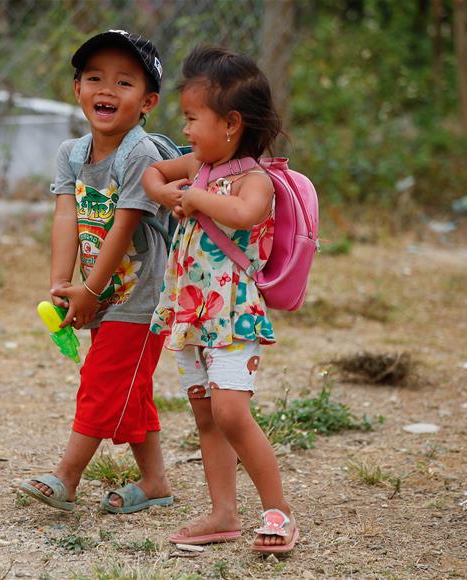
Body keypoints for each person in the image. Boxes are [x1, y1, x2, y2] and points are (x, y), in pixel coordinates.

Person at [143, 45, 298, 554]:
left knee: (231, 412)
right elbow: (153, 175)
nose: (184, 131)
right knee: (206, 413)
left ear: (231, 123)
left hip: (230, 310)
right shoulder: (200, 166)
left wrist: (196, 197)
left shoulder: (256, 178)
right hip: (191, 309)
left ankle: (279, 511)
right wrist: (167, 193)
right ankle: (223, 513)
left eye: (192, 119)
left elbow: (247, 215)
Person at [19, 30, 173, 515]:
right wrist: (63, 286)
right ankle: (154, 483)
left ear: (147, 101)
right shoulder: (71, 153)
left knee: (104, 382)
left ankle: (67, 477)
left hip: (140, 298)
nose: (107, 89)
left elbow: (125, 229)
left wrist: (89, 289)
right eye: (94, 78)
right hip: (100, 294)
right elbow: (66, 216)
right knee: (127, 388)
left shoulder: (141, 156)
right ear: (77, 89)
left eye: (124, 82)